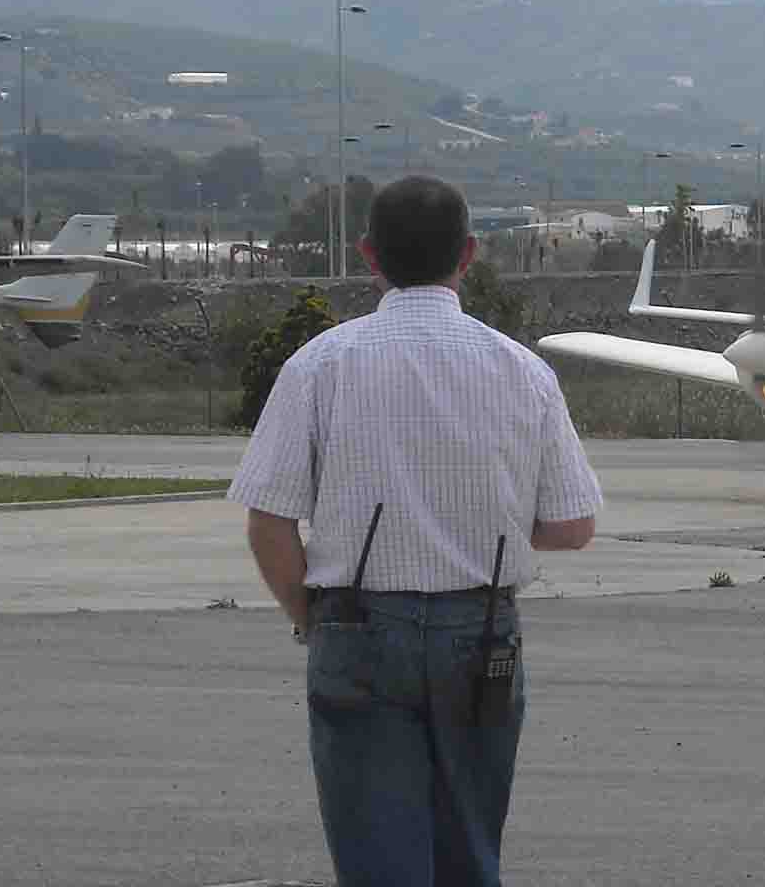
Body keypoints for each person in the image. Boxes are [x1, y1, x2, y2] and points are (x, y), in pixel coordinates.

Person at [229, 174, 604, 887]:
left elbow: (268, 520)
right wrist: (483, 519)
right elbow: (573, 525)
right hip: (482, 633)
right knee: (470, 852)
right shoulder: (523, 371)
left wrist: (314, 621)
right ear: (469, 254)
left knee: (378, 861)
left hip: (357, 628)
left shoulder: (320, 363)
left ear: (368, 255)